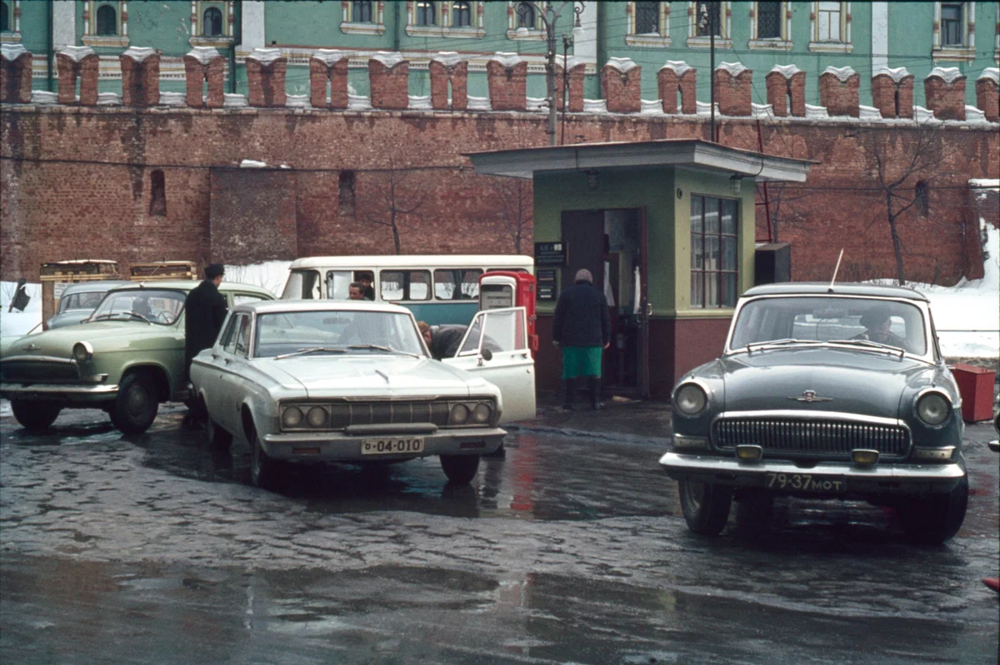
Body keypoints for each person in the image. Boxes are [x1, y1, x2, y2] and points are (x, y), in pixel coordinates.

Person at [552, 268, 611, 411]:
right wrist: (606, 338)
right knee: (594, 372)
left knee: (570, 371)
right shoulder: (599, 295)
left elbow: (558, 318)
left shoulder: (566, 294)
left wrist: (556, 337)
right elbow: (605, 319)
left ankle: (569, 402)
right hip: (594, 341)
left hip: (570, 340)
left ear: (575, 280)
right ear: (590, 280)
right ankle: (595, 402)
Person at [185, 263, 228, 384]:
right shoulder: (217, 298)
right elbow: (223, 326)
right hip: (210, 349)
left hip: (193, 348)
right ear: (218, 277)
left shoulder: (193, 294)